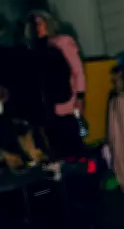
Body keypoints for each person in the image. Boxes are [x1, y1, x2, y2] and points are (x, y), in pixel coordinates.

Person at [25, 10, 87, 160]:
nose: (38, 27)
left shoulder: (62, 42)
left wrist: (80, 95)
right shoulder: (34, 48)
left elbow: (77, 69)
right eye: (35, 24)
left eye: (41, 22)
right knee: (54, 144)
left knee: (70, 140)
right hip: (46, 104)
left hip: (65, 99)